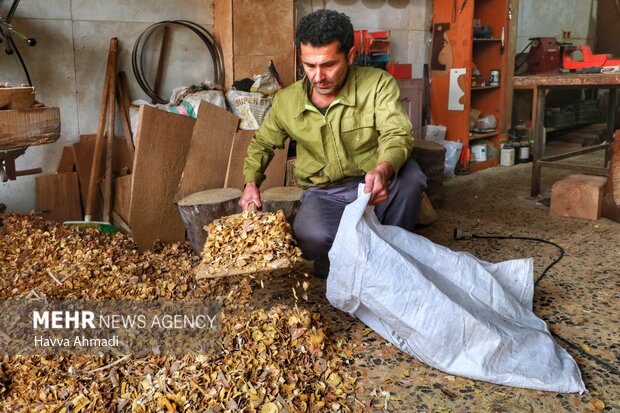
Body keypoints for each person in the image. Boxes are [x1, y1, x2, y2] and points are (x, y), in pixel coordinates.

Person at [240, 9, 427, 276]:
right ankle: (345, 255)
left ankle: (391, 257)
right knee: (310, 238)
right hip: (325, 192)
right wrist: (250, 183)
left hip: (374, 184)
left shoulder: (377, 84)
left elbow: (396, 133)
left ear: (350, 56)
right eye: (309, 65)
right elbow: (262, 144)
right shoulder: (286, 101)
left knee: (411, 180)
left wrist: (383, 170)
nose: (318, 77)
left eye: (329, 65)